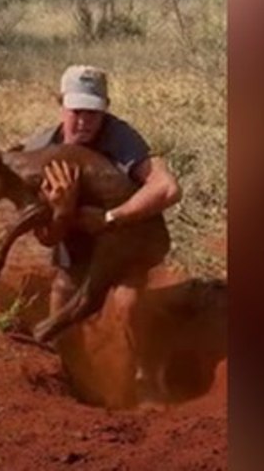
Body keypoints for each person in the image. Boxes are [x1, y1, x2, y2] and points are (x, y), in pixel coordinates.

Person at [19, 64, 182, 343]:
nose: (84, 121)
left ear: (105, 108)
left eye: (93, 112)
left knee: (127, 302)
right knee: (64, 290)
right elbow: (46, 239)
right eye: (76, 112)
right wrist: (61, 211)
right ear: (61, 105)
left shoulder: (119, 136)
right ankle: (59, 364)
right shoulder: (39, 149)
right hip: (74, 242)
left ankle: (143, 370)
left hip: (125, 239)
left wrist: (110, 218)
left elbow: (167, 188)